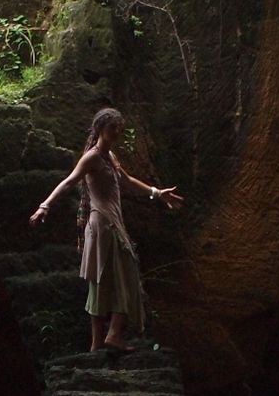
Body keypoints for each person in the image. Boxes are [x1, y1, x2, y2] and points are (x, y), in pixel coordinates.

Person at [29, 107, 183, 355]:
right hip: (103, 224)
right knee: (127, 273)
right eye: (113, 128)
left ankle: (97, 343)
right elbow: (69, 181)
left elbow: (128, 180)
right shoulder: (91, 157)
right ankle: (112, 335)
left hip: (108, 221)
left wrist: (157, 193)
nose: (117, 132)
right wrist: (44, 206)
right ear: (100, 128)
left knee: (102, 281)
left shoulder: (109, 156)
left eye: (120, 129)